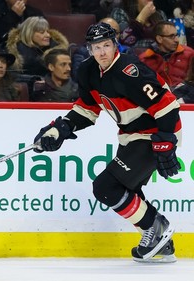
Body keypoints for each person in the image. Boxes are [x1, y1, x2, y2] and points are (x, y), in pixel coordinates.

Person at [33, 22, 181, 263]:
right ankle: (163, 245)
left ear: (115, 45)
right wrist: (61, 129)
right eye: (96, 47)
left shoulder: (129, 70)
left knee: (106, 187)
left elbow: (167, 106)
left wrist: (165, 142)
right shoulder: (88, 71)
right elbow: (87, 108)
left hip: (155, 132)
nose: (102, 52)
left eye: (106, 45)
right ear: (89, 49)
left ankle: (156, 228)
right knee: (126, 190)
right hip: (131, 134)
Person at [138, 20, 194, 89]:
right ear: (159, 39)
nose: (177, 40)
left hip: (187, 96)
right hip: (162, 97)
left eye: (177, 35)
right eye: (172, 36)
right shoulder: (144, 60)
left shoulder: (190, 53)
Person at [71, 17, 129, 83]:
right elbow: (78, 77)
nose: (111, 35)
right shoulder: (82, 52)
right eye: (105, 31)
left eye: (115, 32)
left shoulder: (126, 51)